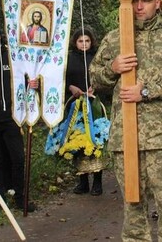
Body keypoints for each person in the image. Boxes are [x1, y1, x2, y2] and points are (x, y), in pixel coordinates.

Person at [90, 0, 162, 241]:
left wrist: (145, 91)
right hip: (126, 139)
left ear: (157, 3)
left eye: (144, 0)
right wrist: (112, 68)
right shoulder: (115, 38)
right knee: (133, 212)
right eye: (134, 0)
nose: (138, 6)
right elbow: (95, 80)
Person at [0, 22, 36, 213]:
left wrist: (32, 83)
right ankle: (0, 199)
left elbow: (24, 78)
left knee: (17, 158)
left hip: (11, 116)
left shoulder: (11, 57)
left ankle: (21, 197)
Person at [65, 27, 103, 196]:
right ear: (75, 42)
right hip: (75, 104)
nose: (84, 44)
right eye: (81, 41)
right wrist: (71, 88)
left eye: (87, 41)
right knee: (77, 141)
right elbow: (63, 79)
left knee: (95, 140)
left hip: (93, 104)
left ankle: (97, 182)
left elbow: (104, 77)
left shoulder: (97, 57)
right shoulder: (69, 58)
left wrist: (95, 87)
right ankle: (82, 181)